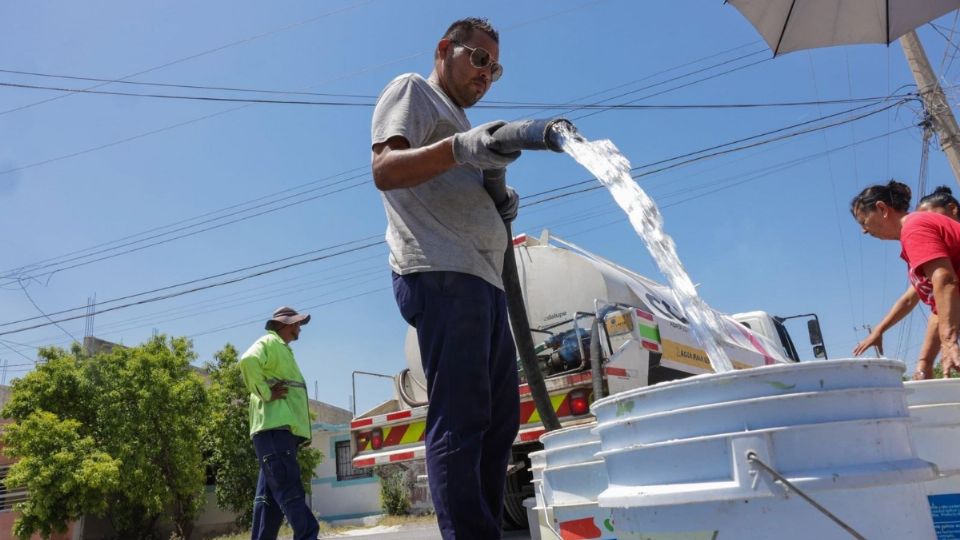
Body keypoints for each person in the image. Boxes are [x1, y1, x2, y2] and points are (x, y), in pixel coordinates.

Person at [370, 17, 521, 539]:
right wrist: (460, 149)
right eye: (479, 59)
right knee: (462, 419)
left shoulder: (459, 122)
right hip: (441, 272)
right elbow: (385, 169)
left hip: (484, 281)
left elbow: (458, 185)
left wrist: (496, 197)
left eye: (494, 69)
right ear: (444, 50)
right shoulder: (414, 91)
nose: (486, 74)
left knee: (501, 422)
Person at [851, 181, 960, 379]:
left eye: (863, 221)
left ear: (882, 209)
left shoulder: (914, 227)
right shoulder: (914, 233)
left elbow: (944, 280)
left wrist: (949, 343)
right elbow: (932, 302)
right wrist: (924, 365)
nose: (864, 230)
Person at [239, 306, 318, 540]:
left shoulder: (281, 349)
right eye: (296, 324)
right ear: (285, 324)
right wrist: (265, 392)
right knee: (288, 487)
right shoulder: (270, 343)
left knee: (269, 500)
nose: (299, 329)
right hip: (274, 430)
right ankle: (308, 535)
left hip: (276, 432)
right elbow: (247, 360)